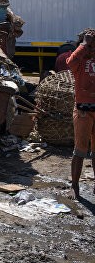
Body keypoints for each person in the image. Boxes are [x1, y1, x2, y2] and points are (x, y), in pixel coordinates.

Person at [66, 28, 95, 200]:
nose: (92, 50)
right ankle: (74, 186)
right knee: (80, 150)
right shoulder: (79, 62)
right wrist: (85, 44)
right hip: (84, 110)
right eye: (89, 47)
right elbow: (70, 62)